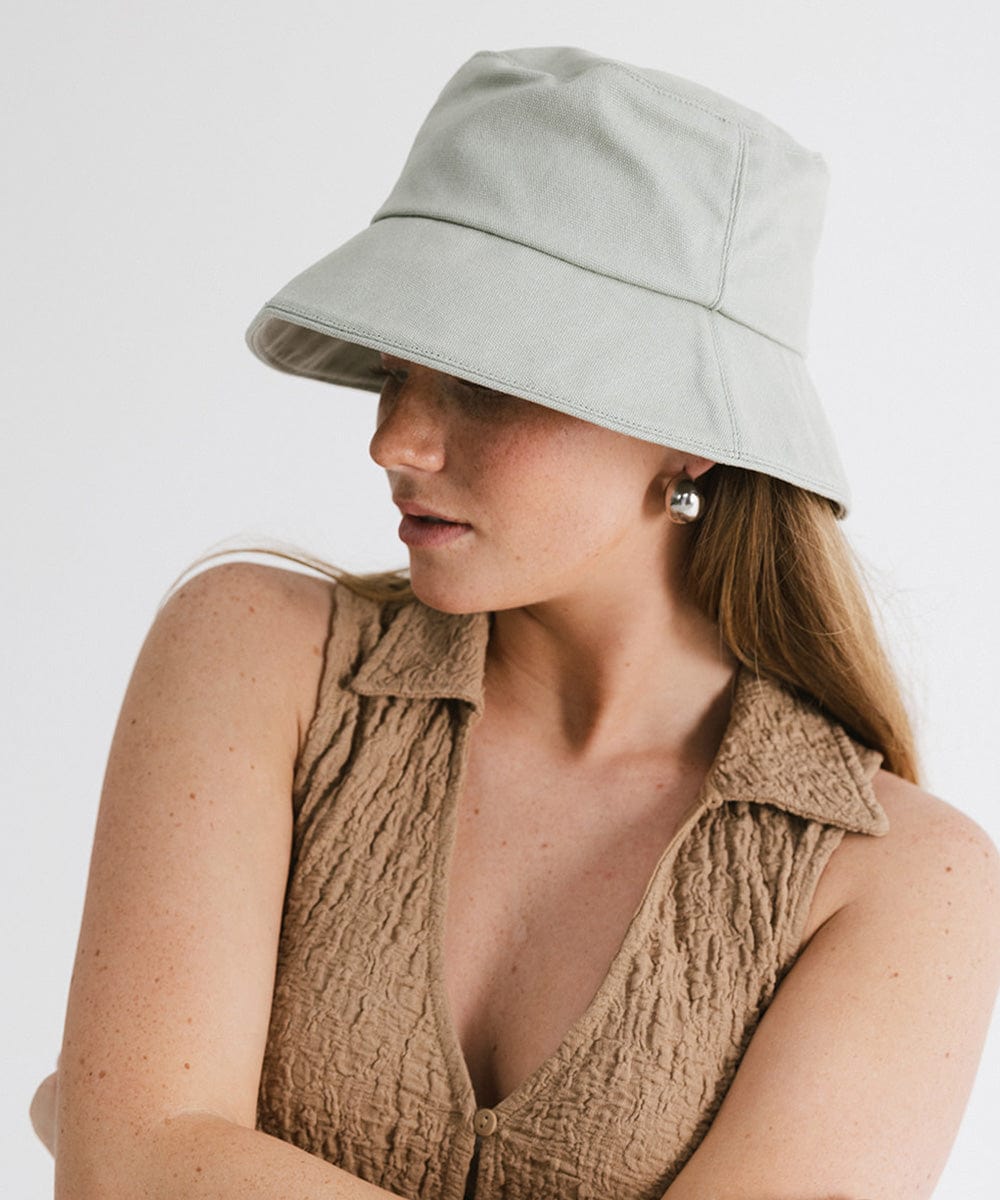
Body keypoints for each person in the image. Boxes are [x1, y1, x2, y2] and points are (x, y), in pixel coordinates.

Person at [30, 44, 999, 1200]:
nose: (393, 441)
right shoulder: (256, 655)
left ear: (694, 434)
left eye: (486, 383)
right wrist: (129, 1146)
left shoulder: (900, 881)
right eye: (393, 371)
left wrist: (142, 1136)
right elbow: (126, 1168)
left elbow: (134, 1157)